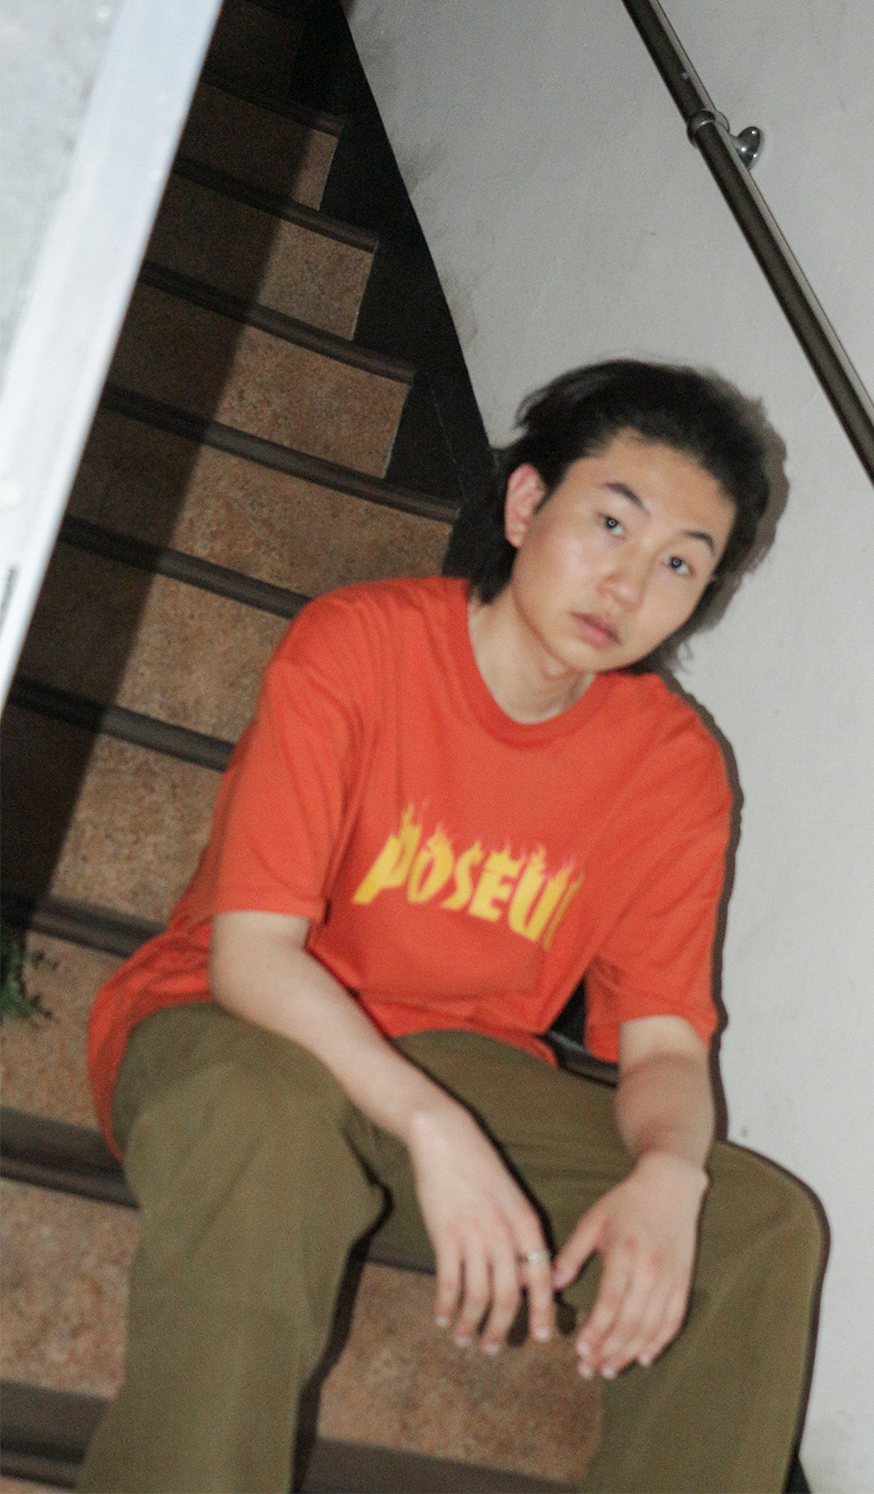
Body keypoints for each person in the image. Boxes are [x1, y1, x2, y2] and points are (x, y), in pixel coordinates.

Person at [80, 360, 824, 1493]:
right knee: (268, 1120)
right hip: (240, 1034)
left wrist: (671, 1174)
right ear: (526, 505)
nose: (629, 583)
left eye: (681, 562)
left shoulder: (674, 769)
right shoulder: (358, 645)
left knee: (760, 1225)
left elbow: (666, 1045)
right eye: (611, 523)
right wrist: (434, 1126)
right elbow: (253, 957)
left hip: (467, 1075)